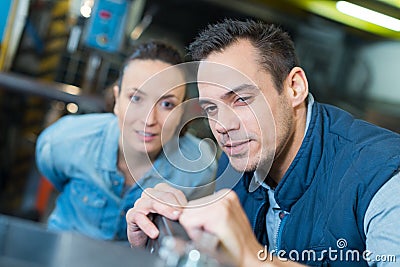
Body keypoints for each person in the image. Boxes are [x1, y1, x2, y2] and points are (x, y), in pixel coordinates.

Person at [126, 19, 400, 266]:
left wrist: (251, 258)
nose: (223, 126)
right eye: (211, 109)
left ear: (295, 87)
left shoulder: (383, 177)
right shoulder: (240, 158)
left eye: (241, 100)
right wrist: (167, 232)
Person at [35, 40, 217, 241]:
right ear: (117, 99)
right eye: (136, 98)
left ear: (182, 111)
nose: (149, 120)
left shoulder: (198, 170)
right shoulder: (66, 139)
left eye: (167, 104)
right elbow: (52, 172)